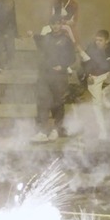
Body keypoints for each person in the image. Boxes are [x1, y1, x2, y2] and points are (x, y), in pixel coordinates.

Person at [32, 14, 76, 143]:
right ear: (50, 25)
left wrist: (62, 66)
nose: (55, 26)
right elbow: (39, 46)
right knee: (42, 102)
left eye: (58, 24)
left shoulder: (66, 40)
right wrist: (32, 35)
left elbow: (72, 58)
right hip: (45, 75)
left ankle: (57, 130)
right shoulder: (46, 38)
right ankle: (42, 131)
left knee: (58, 102)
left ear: (61, 25)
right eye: (53, 24)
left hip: (59, 76)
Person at [82, 29, 110, 137]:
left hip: (107, 74)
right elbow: (84, 64)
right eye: (96, 40)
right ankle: (102, 131)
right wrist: (88, 75)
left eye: (100, 40)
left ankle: (105, 92)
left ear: (107, 41)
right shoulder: (91, 48)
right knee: (97, 105)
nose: (97, 42)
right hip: (94, 77)